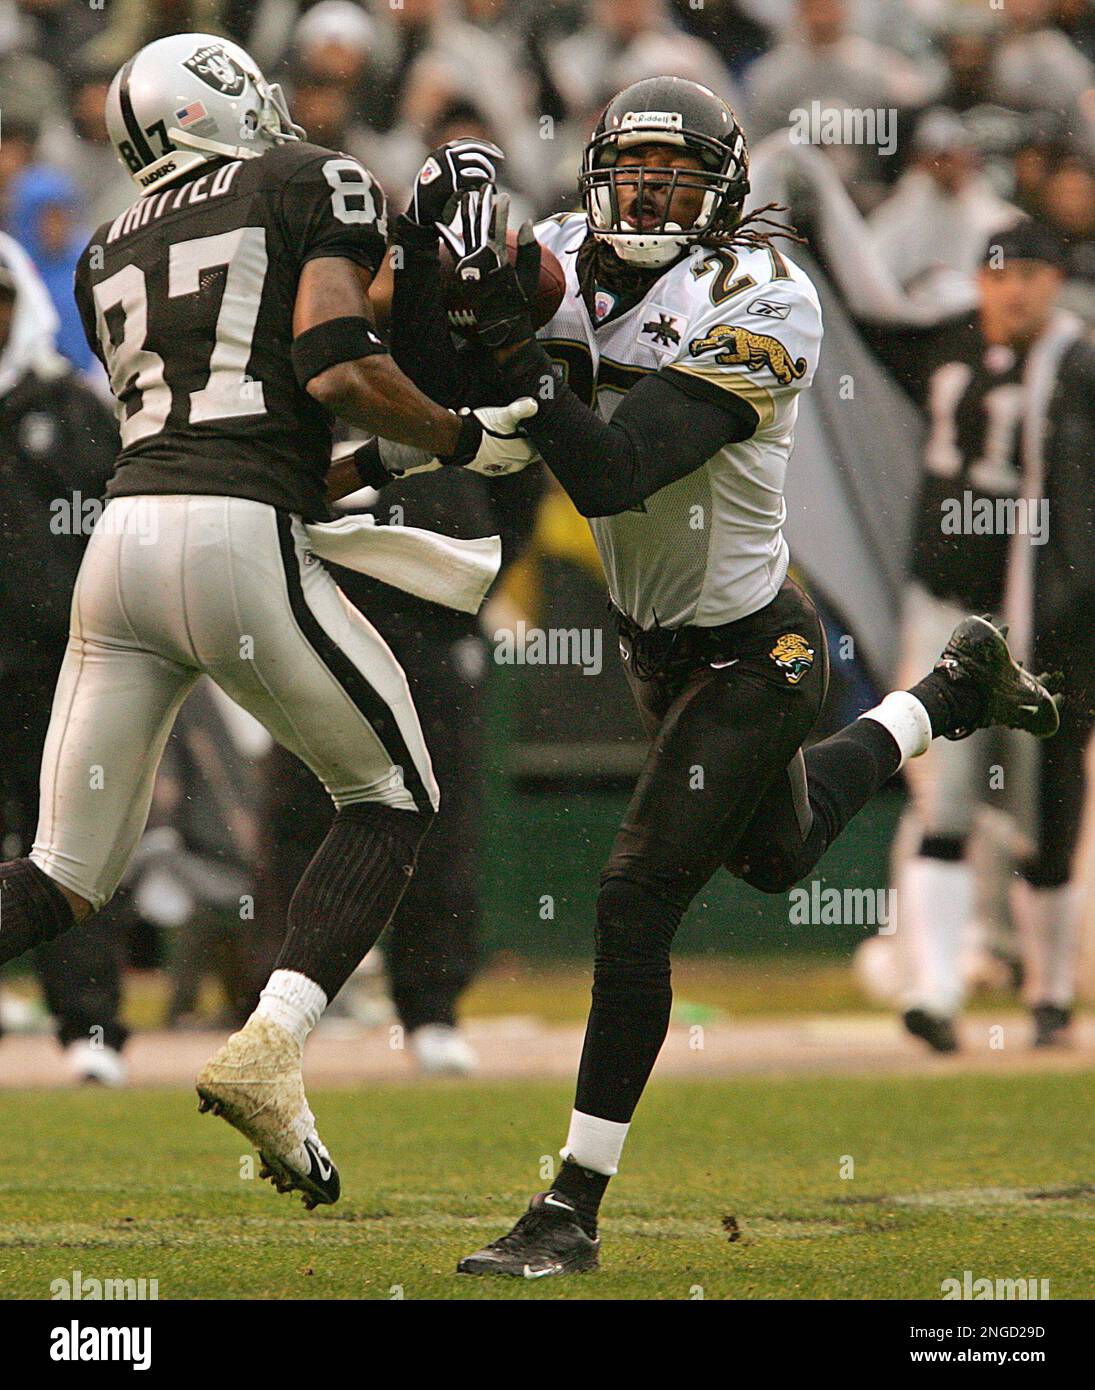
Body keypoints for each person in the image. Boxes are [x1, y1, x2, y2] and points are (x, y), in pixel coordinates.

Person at [406, 75, 1060, 1277]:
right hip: (657, 644)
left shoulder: (767, 296)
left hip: (758, 647)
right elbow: (454, 346)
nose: (651, 191)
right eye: (635, 169)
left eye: (678, 173)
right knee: (777, 853)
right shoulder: (558, 254)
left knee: (633, 895)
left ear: (726, 192)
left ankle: (570, 1208)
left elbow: (614, 470)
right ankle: (946, 694)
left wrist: (511, 352)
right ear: (599, 175)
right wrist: (440, 260)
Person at [0, 32, 538, 1210]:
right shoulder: (306, 178)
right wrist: (457, 433)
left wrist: (406, 444)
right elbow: (337, 364)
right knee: (397, 794)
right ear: (223, 101)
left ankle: (275, 1047)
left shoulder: (104, 248)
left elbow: (259, 417)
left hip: (124, 549)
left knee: (59, 874)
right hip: (234, 540)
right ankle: (273, 1044)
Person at [861, 220, 1095, 1052]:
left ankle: (1051, 993)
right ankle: (936, 990)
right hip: (946, 607)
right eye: (1000, 273)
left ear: (1056, 283)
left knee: (1045, 813)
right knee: (944, 798)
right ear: (978, 280)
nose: (1014, 289)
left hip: (1043, 621)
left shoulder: (1076, 363)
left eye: (1033, 273)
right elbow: (865, 315)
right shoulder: (943, 342)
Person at [0, 236, 129, 1086]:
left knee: (67, 846)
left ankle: (89, 1028)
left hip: (49, 665)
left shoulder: (69, 407)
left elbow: (109, 526)